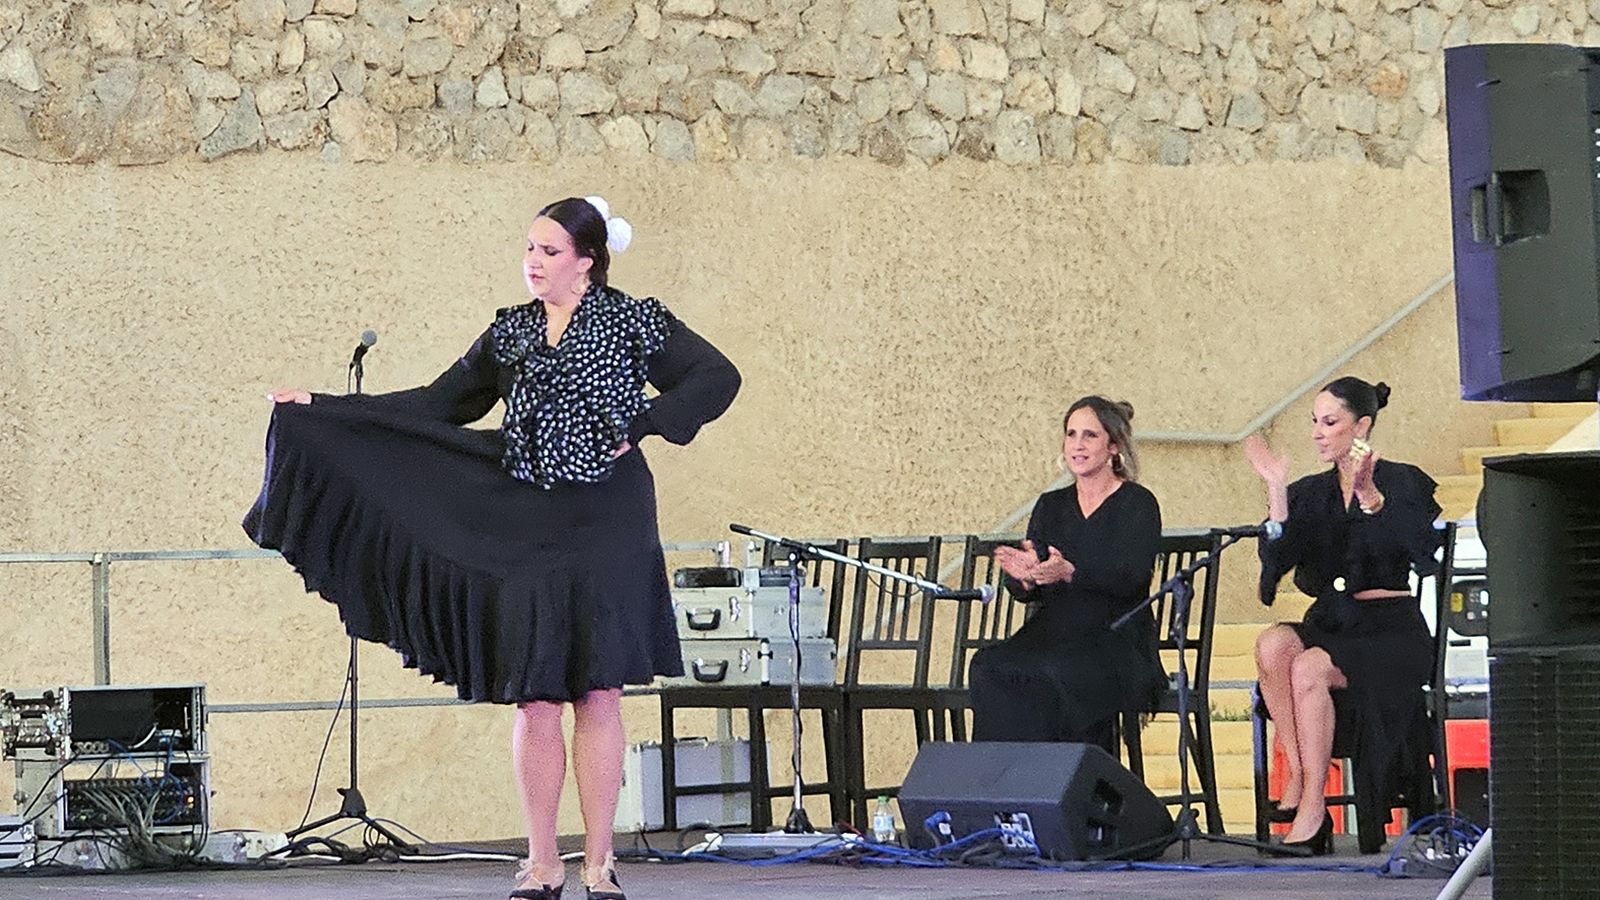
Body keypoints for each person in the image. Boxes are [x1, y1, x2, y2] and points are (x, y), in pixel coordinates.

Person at [246, 196, 741, 900]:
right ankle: (544, 862)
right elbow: (437, 404)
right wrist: (325, 409)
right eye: (529, 249)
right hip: (526, 519)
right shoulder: (510, 333)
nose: (532, 263)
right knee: (536, 693)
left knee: (599, 690)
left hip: (610, 517)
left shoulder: (635, 319)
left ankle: (599, 863)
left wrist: (650, 421)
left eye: (548, 251)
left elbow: (717, 377)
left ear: (587, 262)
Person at [1246, 377, 1442, 855]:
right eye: (1314, 422)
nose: (1317, 432)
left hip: (1390, 631)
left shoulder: (1403, 480)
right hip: (1334, 623)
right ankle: (1298, 770)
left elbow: (1423, 551)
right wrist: (1276, 494)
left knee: (1310, 665)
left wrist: (1371, 495)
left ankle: (1314, 807)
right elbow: (1276, 565)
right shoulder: (1310, 493)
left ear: (1362, 426)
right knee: (1274, 645)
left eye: (1329, 422)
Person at [967, 396, 1167, 755]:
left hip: (1115, 636)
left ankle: (1074, 788)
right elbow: (1034, 582)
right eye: (1071, 434)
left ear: (1114, 445)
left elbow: (1134, 578)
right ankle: (1010, 784)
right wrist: (1025, 578)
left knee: (1058, 672)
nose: (1077, 444)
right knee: (990, 665)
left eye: (1089, 435)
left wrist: (1072, 572)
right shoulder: (1051, 505)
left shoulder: (1138, 503)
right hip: (1054, 630)